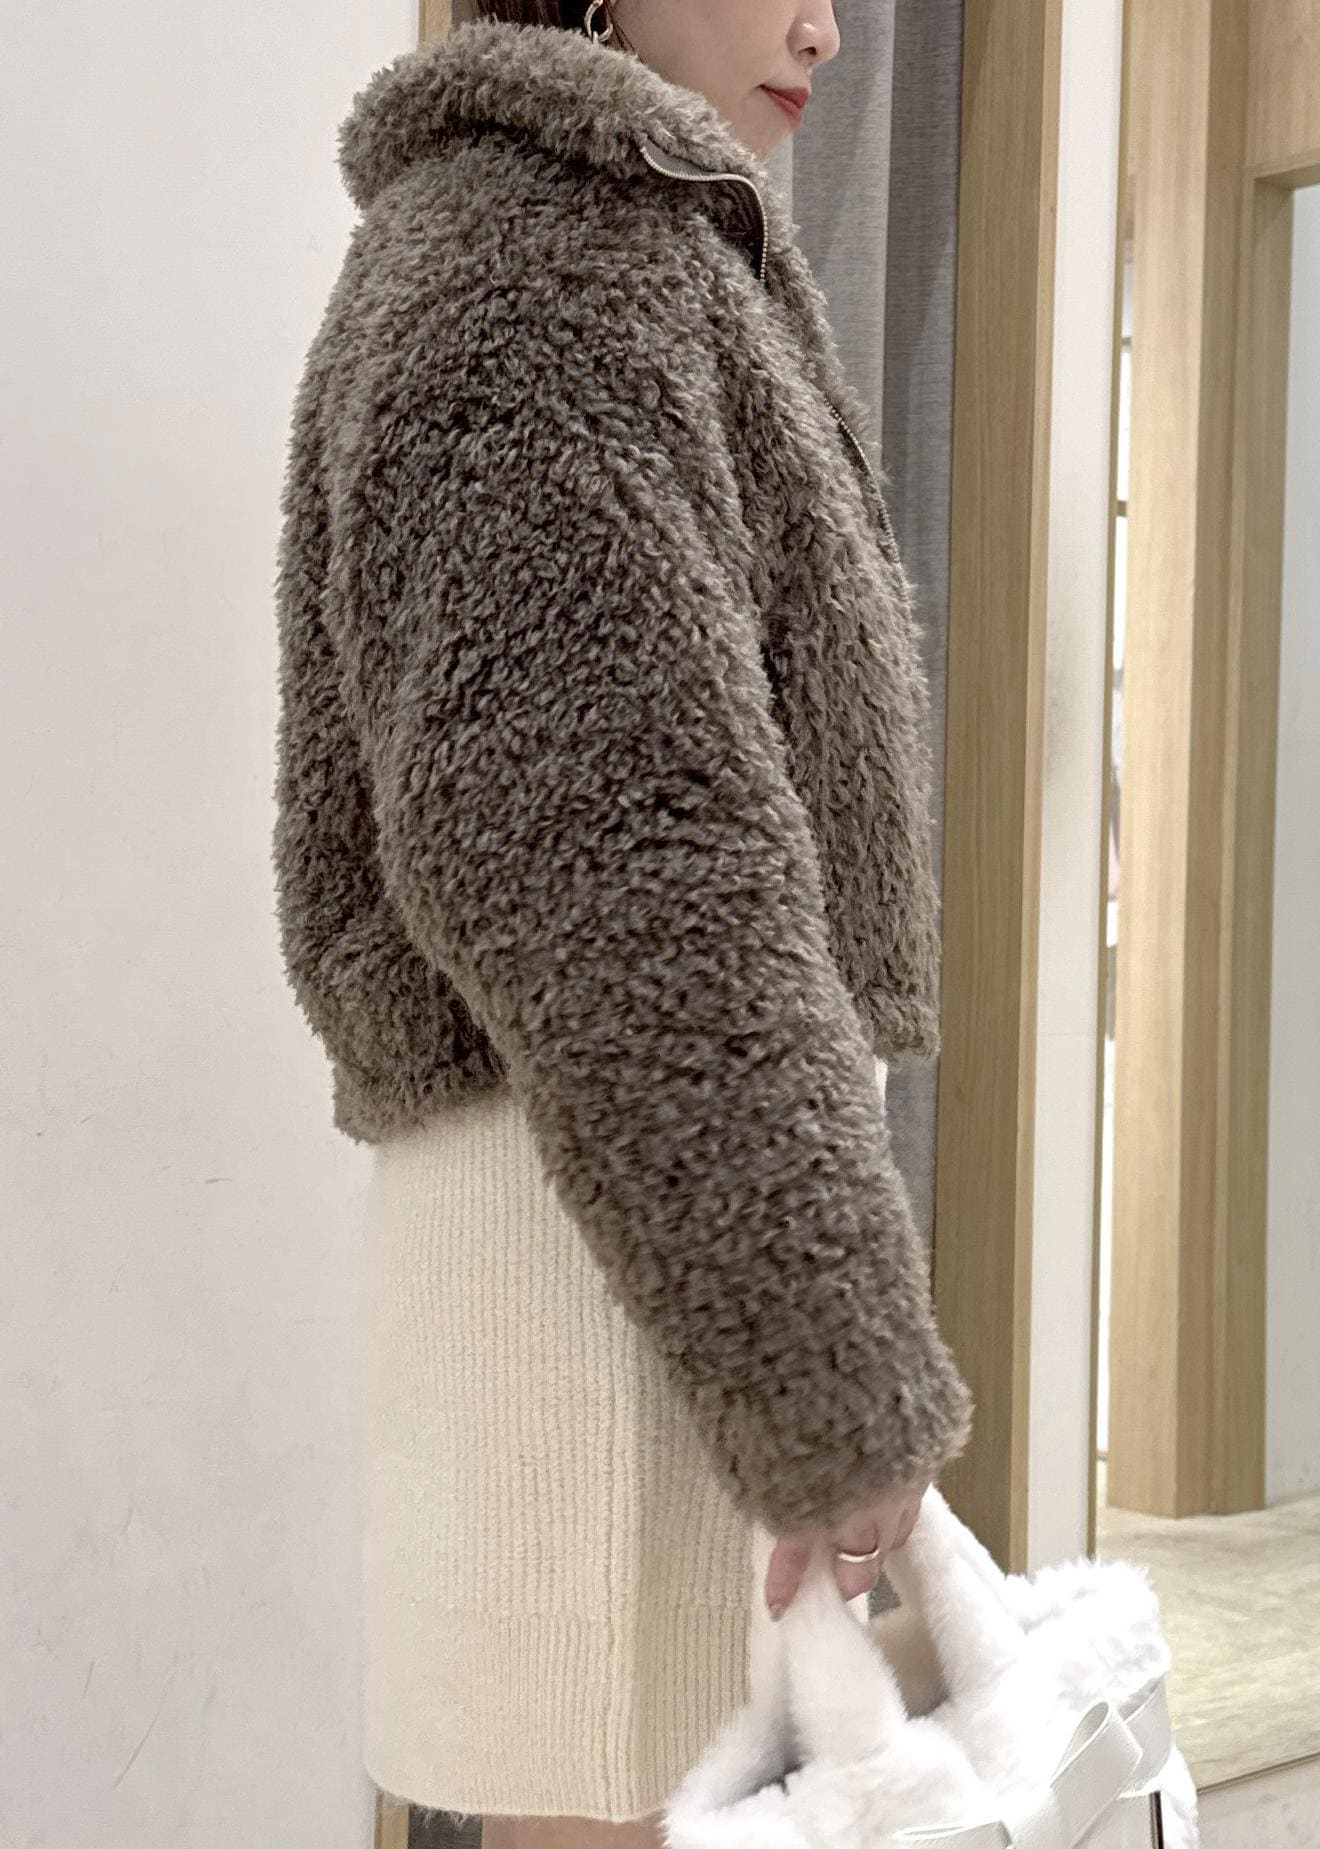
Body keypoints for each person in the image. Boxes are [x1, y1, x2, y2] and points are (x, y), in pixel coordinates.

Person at [271, 0, 975, 1842]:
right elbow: (618, 851)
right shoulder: (540, 256)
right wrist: (827, 1364)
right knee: (615, 1801)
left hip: (641, 1204)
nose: (828, 25)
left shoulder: (628, 243)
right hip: (604, 1239)